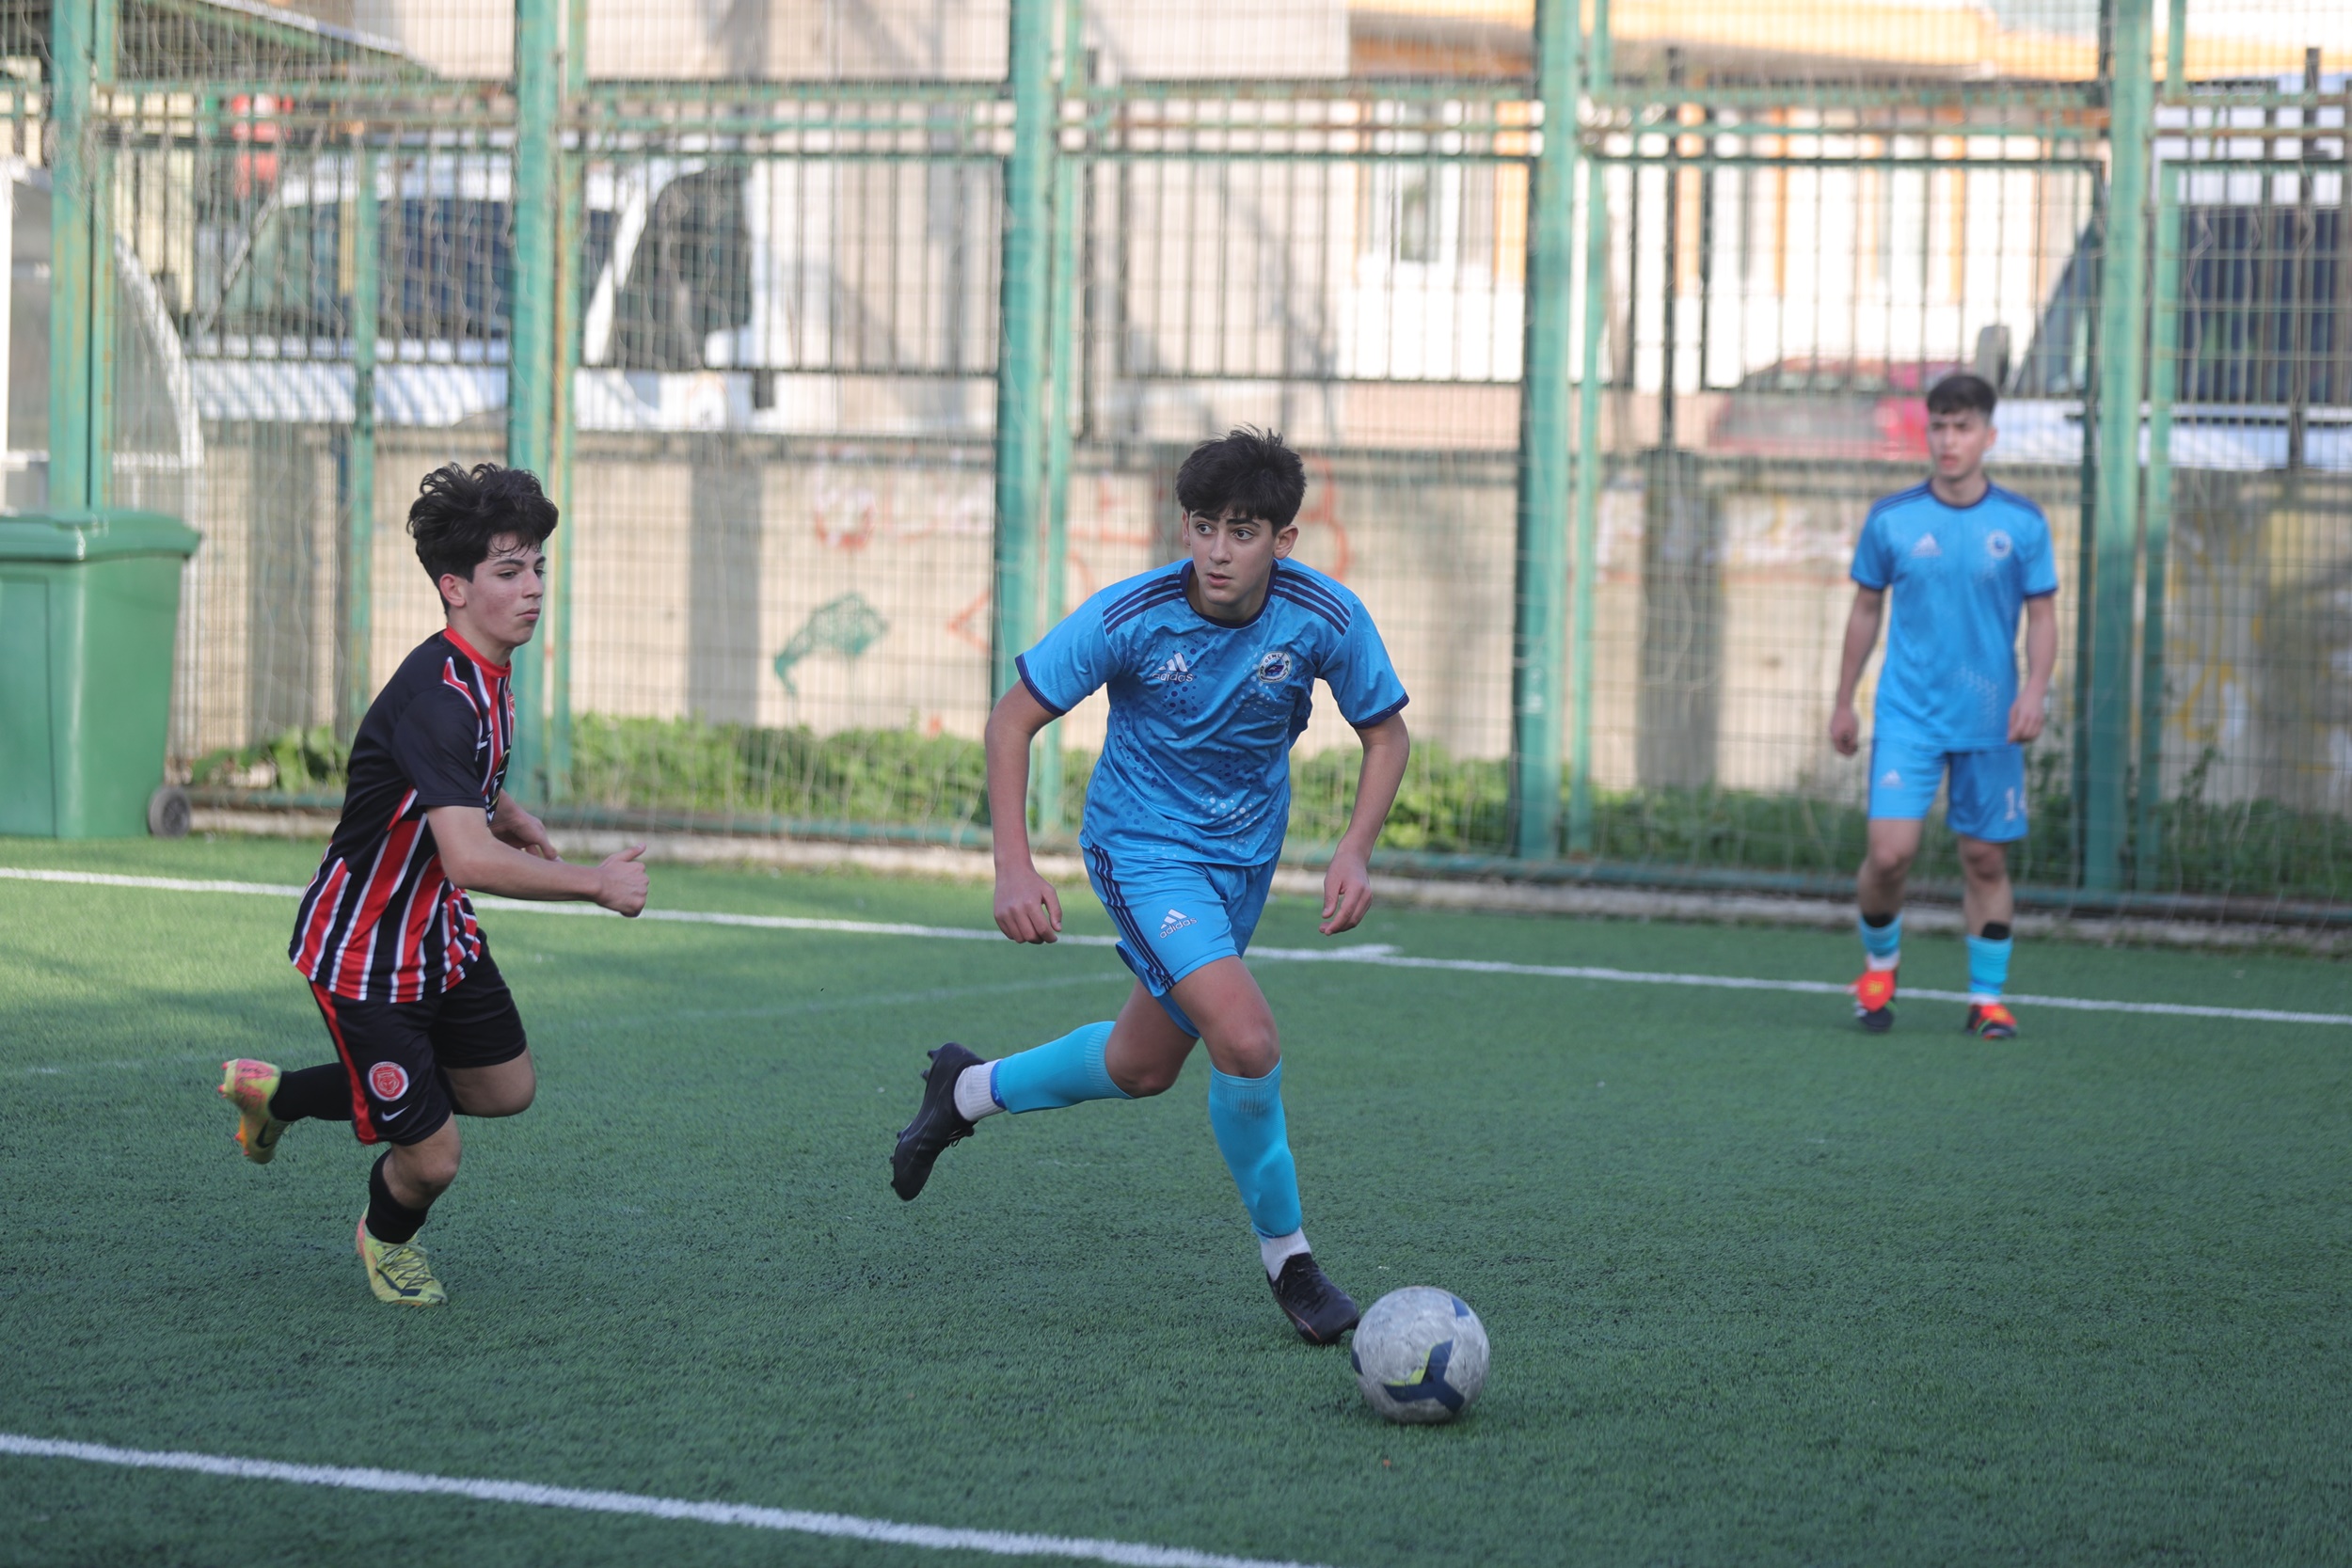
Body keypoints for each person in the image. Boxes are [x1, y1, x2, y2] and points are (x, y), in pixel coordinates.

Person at [890, 427, 1412, 1344]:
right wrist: (1013, 863)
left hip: (1240, 863)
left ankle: (965, 1089)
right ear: (1183, 525)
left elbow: (1386, 733)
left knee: (1142, 1066)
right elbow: (1011, 720)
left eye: (1243, 531)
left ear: (1282, 542)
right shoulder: (1128, 615)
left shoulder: (1324, 616)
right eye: (1203, 525)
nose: (1218, 549)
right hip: (1141, 849)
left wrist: (1355, 847)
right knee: (1245, 1039)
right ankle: (1290, 1257)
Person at [215, 463, 649, 1307]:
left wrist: (505, 806)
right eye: (507, 572)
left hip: (434, 934)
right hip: (364, 951)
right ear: (453, 587)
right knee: (433, 1155)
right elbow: (470, 862)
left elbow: (450, 783)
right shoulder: (442, 696)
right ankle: (385, 1240)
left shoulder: (484, 665)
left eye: (537, 568)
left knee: (505, 1087)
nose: (532, 590)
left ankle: (277, 1095)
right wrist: (591, 882)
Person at [1830, 373, 2058, 1038]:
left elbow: (2042, 616)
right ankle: (1879, 969)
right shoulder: (1893, 518)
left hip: (1990, 719)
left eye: (1962, 428)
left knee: (1985, 858)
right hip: (1909, 716)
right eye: (1938, 426)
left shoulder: (2022, 523)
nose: (1948, 440)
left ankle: (1986, 999)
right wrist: (1844, 700)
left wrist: (2035, 690)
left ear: (1989, 435)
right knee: (1890, 854)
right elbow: (1865, 610)